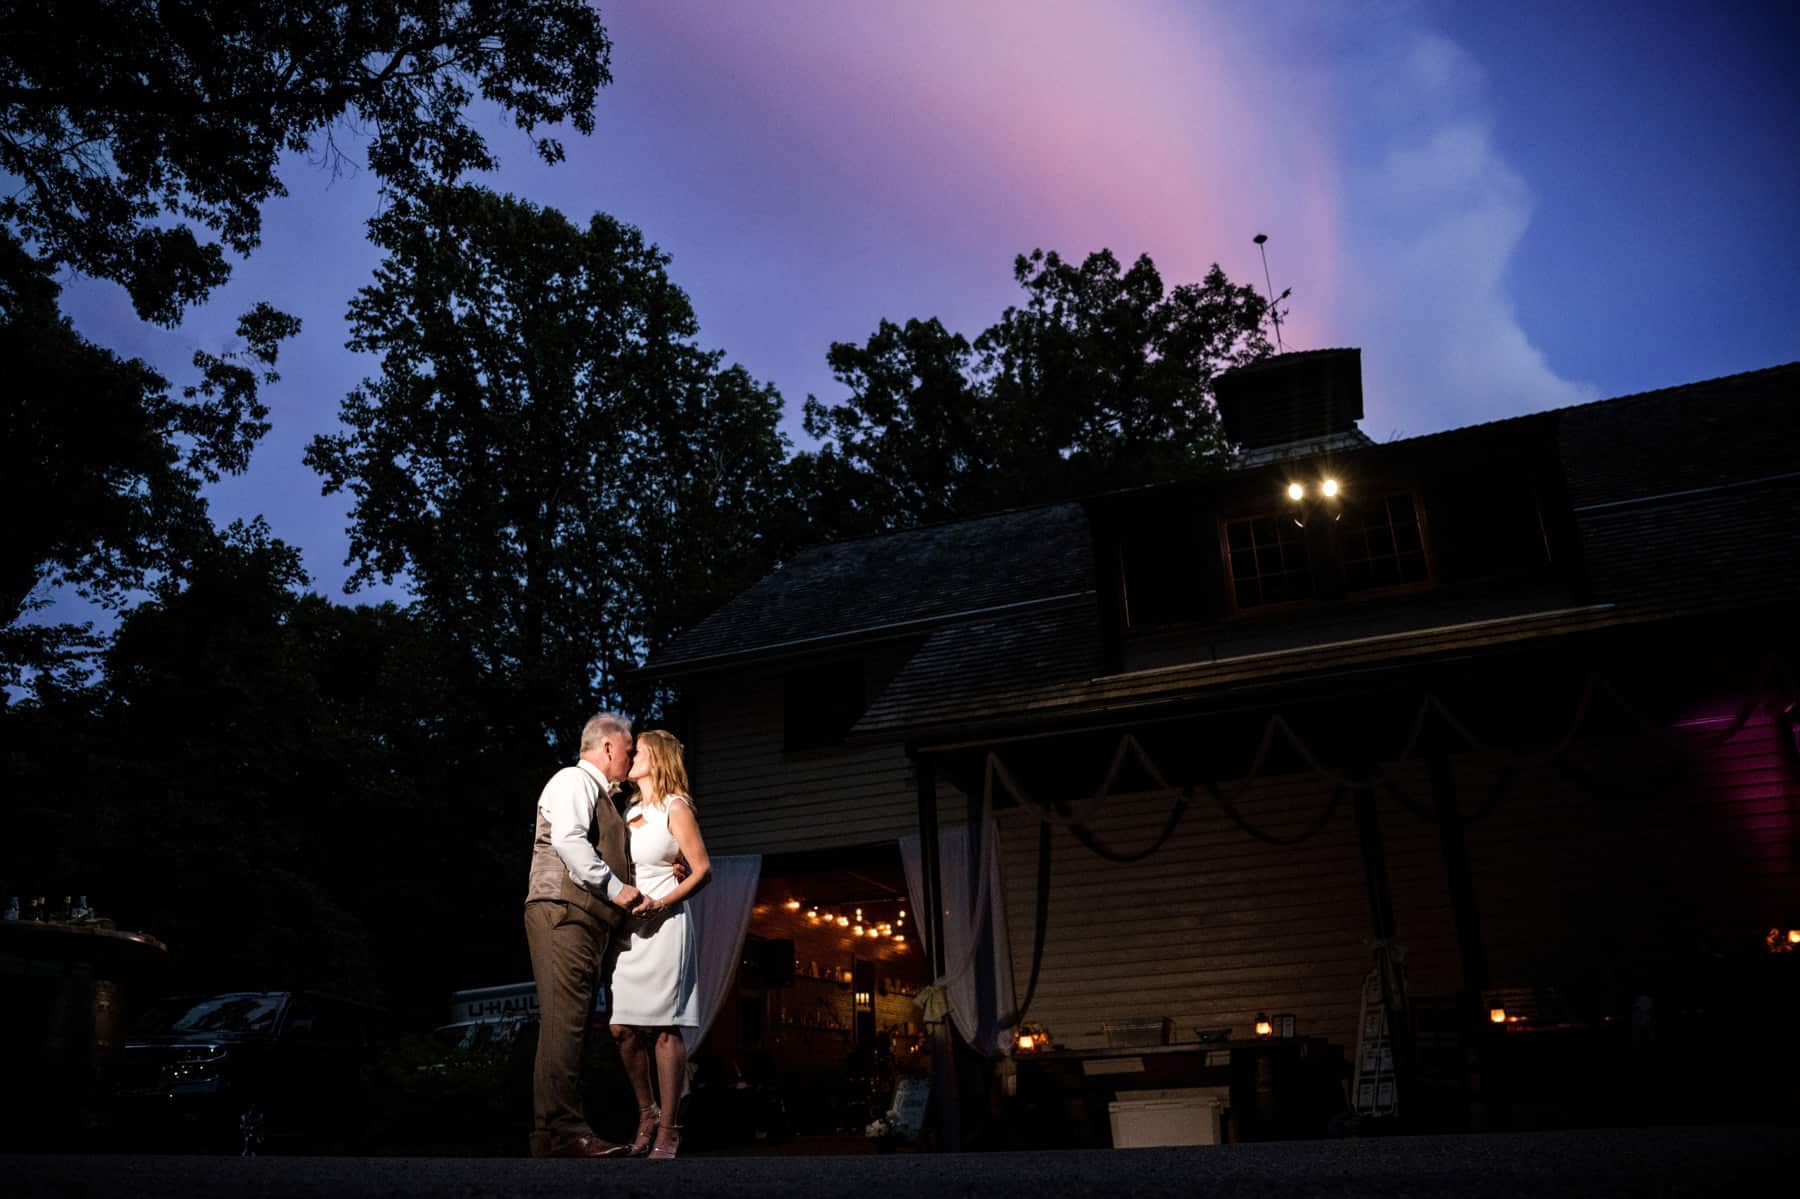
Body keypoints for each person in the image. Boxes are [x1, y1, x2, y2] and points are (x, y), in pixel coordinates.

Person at [523, 712, 646, 1158]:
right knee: (566, 1024)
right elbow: (570, 842)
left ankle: (549, 1136)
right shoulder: (574, 780)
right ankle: (565, 1131)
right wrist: (618, 890)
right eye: (629, 750)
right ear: (609, 746)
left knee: (565, 1024)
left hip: (581, 917)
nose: (631, 760)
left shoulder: (601, 795)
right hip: (564, 912)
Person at [608, 729, 712, 1159]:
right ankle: (646, 1111)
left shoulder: (676, 806)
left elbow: (702, 868)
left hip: (666, 923)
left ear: (659, 758)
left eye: (639, 751)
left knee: (666, 1030)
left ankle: (669, 1129)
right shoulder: (629, 808)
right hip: (631, 927)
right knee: (621, 1028)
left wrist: (662, 902)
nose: (631, 756)